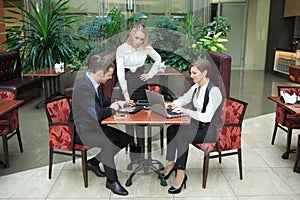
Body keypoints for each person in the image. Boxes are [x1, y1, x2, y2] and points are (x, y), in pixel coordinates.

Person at [160, 59, 223, 194]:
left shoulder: (214, 91)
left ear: (204, 72)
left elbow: (207, 117)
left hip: (209, 130)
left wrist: (185, 111)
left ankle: (180, 175)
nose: (191, 75)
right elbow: (184, 99)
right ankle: (171, 163)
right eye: (191, 72)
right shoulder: (196, 87)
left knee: (182, 134)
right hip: (197, 126)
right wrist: (172, 104)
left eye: (194, 73)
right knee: (172, 129)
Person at [72, 54, 130, 196]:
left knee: (125, 139)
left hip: (94, 127)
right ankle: (112, 181)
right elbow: (97, 114)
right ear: (100, 73)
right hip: (82, 131)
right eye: (109, 75)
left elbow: (100, 101)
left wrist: (117, 101)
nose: (110, 78)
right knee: (108, 144)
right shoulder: (83, 87)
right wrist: (114, 108)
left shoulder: (93, 82)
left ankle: (94, 162)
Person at [116, 24, 162, 159]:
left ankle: (141, 151)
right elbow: (120, 75)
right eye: (137, 38)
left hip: (140, 84)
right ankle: (132, 149)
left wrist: (150, 75)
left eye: (142, 39)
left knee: (142, 120)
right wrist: (126, 97)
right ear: (132, 35)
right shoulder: (122, 49)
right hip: (126, 85)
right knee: (129, 121)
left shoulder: (146, 47)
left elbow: (158, 59)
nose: (139, 42)